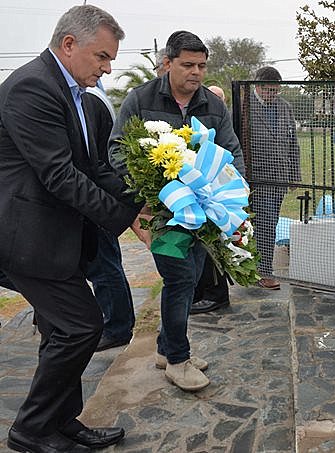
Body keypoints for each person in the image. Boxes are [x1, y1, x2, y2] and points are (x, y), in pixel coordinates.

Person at [0, 5, 143, 451]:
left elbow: (95, 167)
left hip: (59, 239)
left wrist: (141, 202)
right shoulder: (31, 89)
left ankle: (62, 420)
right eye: (102, 56)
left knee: (58, 330)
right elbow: (60, 175)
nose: (108, 67)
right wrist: (123, 218)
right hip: (26, 237)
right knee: (80, 327)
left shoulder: (87, 103)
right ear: (68, 45)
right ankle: (31, 429)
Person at [109, 30, 245, 391]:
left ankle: (164, 348)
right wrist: (145, 191)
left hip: (204, 214)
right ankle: (178, 360)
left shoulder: (213, 106)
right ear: (167, 63)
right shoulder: (140, 100)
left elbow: (232, 153)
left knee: (193, 277)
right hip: (163, 214)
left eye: (201, 65)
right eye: (187, 65)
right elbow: (117, 151)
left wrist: (232, 196)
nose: (196, 72)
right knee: (180, 279)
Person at [83, 83, 138, 352]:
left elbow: (95, 160)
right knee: (106, 265)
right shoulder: (94, 98)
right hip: (100, 197)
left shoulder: (90, 100)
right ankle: (117, 322)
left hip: (99, 199)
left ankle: (117, 327)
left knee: (105, 268)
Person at [248, 66, 301, 290]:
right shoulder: (244, 108)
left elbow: (293, 142)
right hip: (256, 179)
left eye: (276, 90)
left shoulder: (285, 107)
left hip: (279, 176)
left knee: (270, 223)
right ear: (258, 87)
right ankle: (264, 272)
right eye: (269, 90)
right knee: (265, 224)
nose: (273, 94)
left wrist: (294, 174)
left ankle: (254, 266)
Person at [189, 83, 232, 315]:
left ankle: (217, 294)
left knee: (212, 245)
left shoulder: (220, 122)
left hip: (216, 190)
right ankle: (197, 292)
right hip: (196, 189)